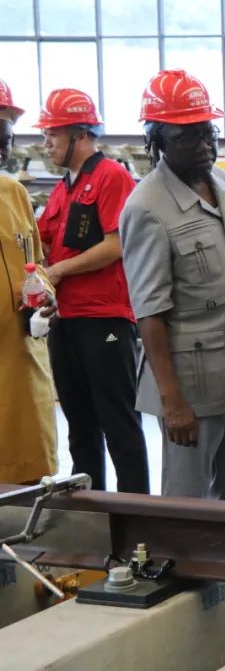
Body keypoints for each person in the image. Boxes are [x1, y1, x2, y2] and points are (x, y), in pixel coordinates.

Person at [119, 70, 225, 501]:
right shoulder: (147, 208)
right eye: (187, 136)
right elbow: (149, 312)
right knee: (187, 500)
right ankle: (182, 554)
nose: (204, 144)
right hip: (193, 386)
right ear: (157, 142)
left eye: (208, 131)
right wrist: (172, 402)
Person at [35, 88, 149, 493]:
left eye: (53, 134)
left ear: (81, 134)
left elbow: (116, 244)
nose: (46, 143)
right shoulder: (62, 189)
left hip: (104, 318)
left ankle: (136, 515)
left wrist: (57, 271)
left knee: (118, 422)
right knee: (80, 425)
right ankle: (91, 514)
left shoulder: (111, 177)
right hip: (66, 320)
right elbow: (43, 242)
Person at [0, 78, 58, 484]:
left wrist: (46, 296)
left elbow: (34, 265)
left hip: (24, 370)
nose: (1, 149)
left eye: (5, 138)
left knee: (29, 488)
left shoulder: (14, 194)